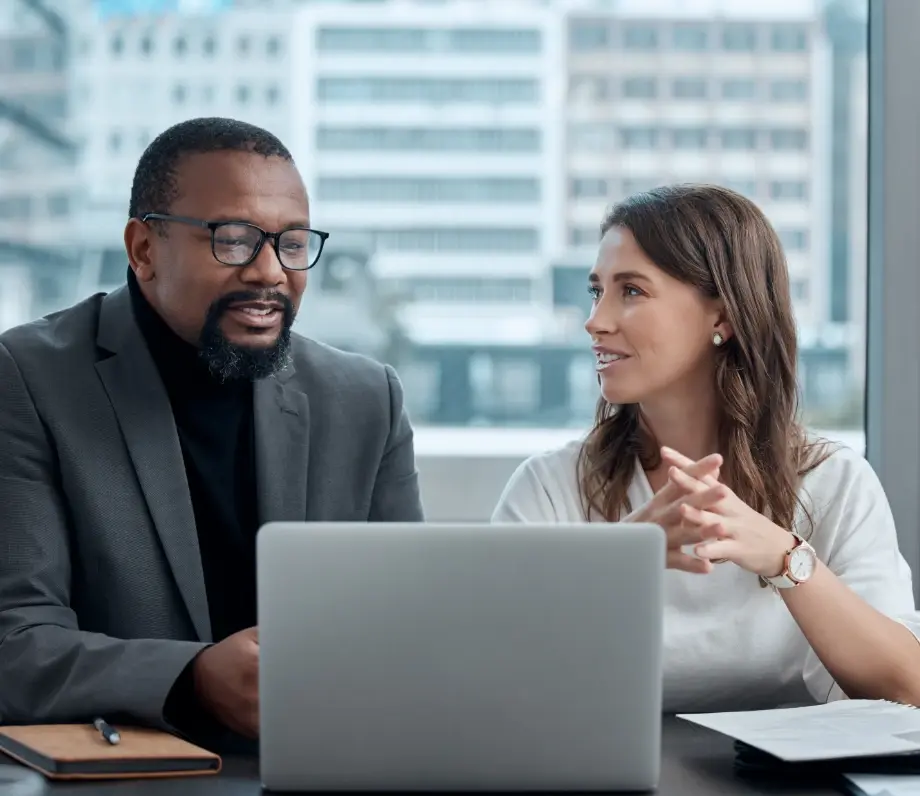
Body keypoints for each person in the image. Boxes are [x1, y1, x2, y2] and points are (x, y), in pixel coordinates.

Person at [0, 117, 424, 745]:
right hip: (127, 779)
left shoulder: (365, 399)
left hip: (329, 762)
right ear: (144, 249)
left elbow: (413, 628)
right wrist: (191, 677)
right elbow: (15, 643)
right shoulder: (30, 378)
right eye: (233, 240)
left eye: (293, 242)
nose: (270, 273)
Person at [492, 184, 920, 712]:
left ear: (723, 317)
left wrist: (786, 559)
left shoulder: (834, 482)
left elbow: (908, 687)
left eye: (631, 291)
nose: (595, 320)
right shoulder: (551, 488)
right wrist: (616, 563)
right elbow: (491, 686)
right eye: (596, 290)